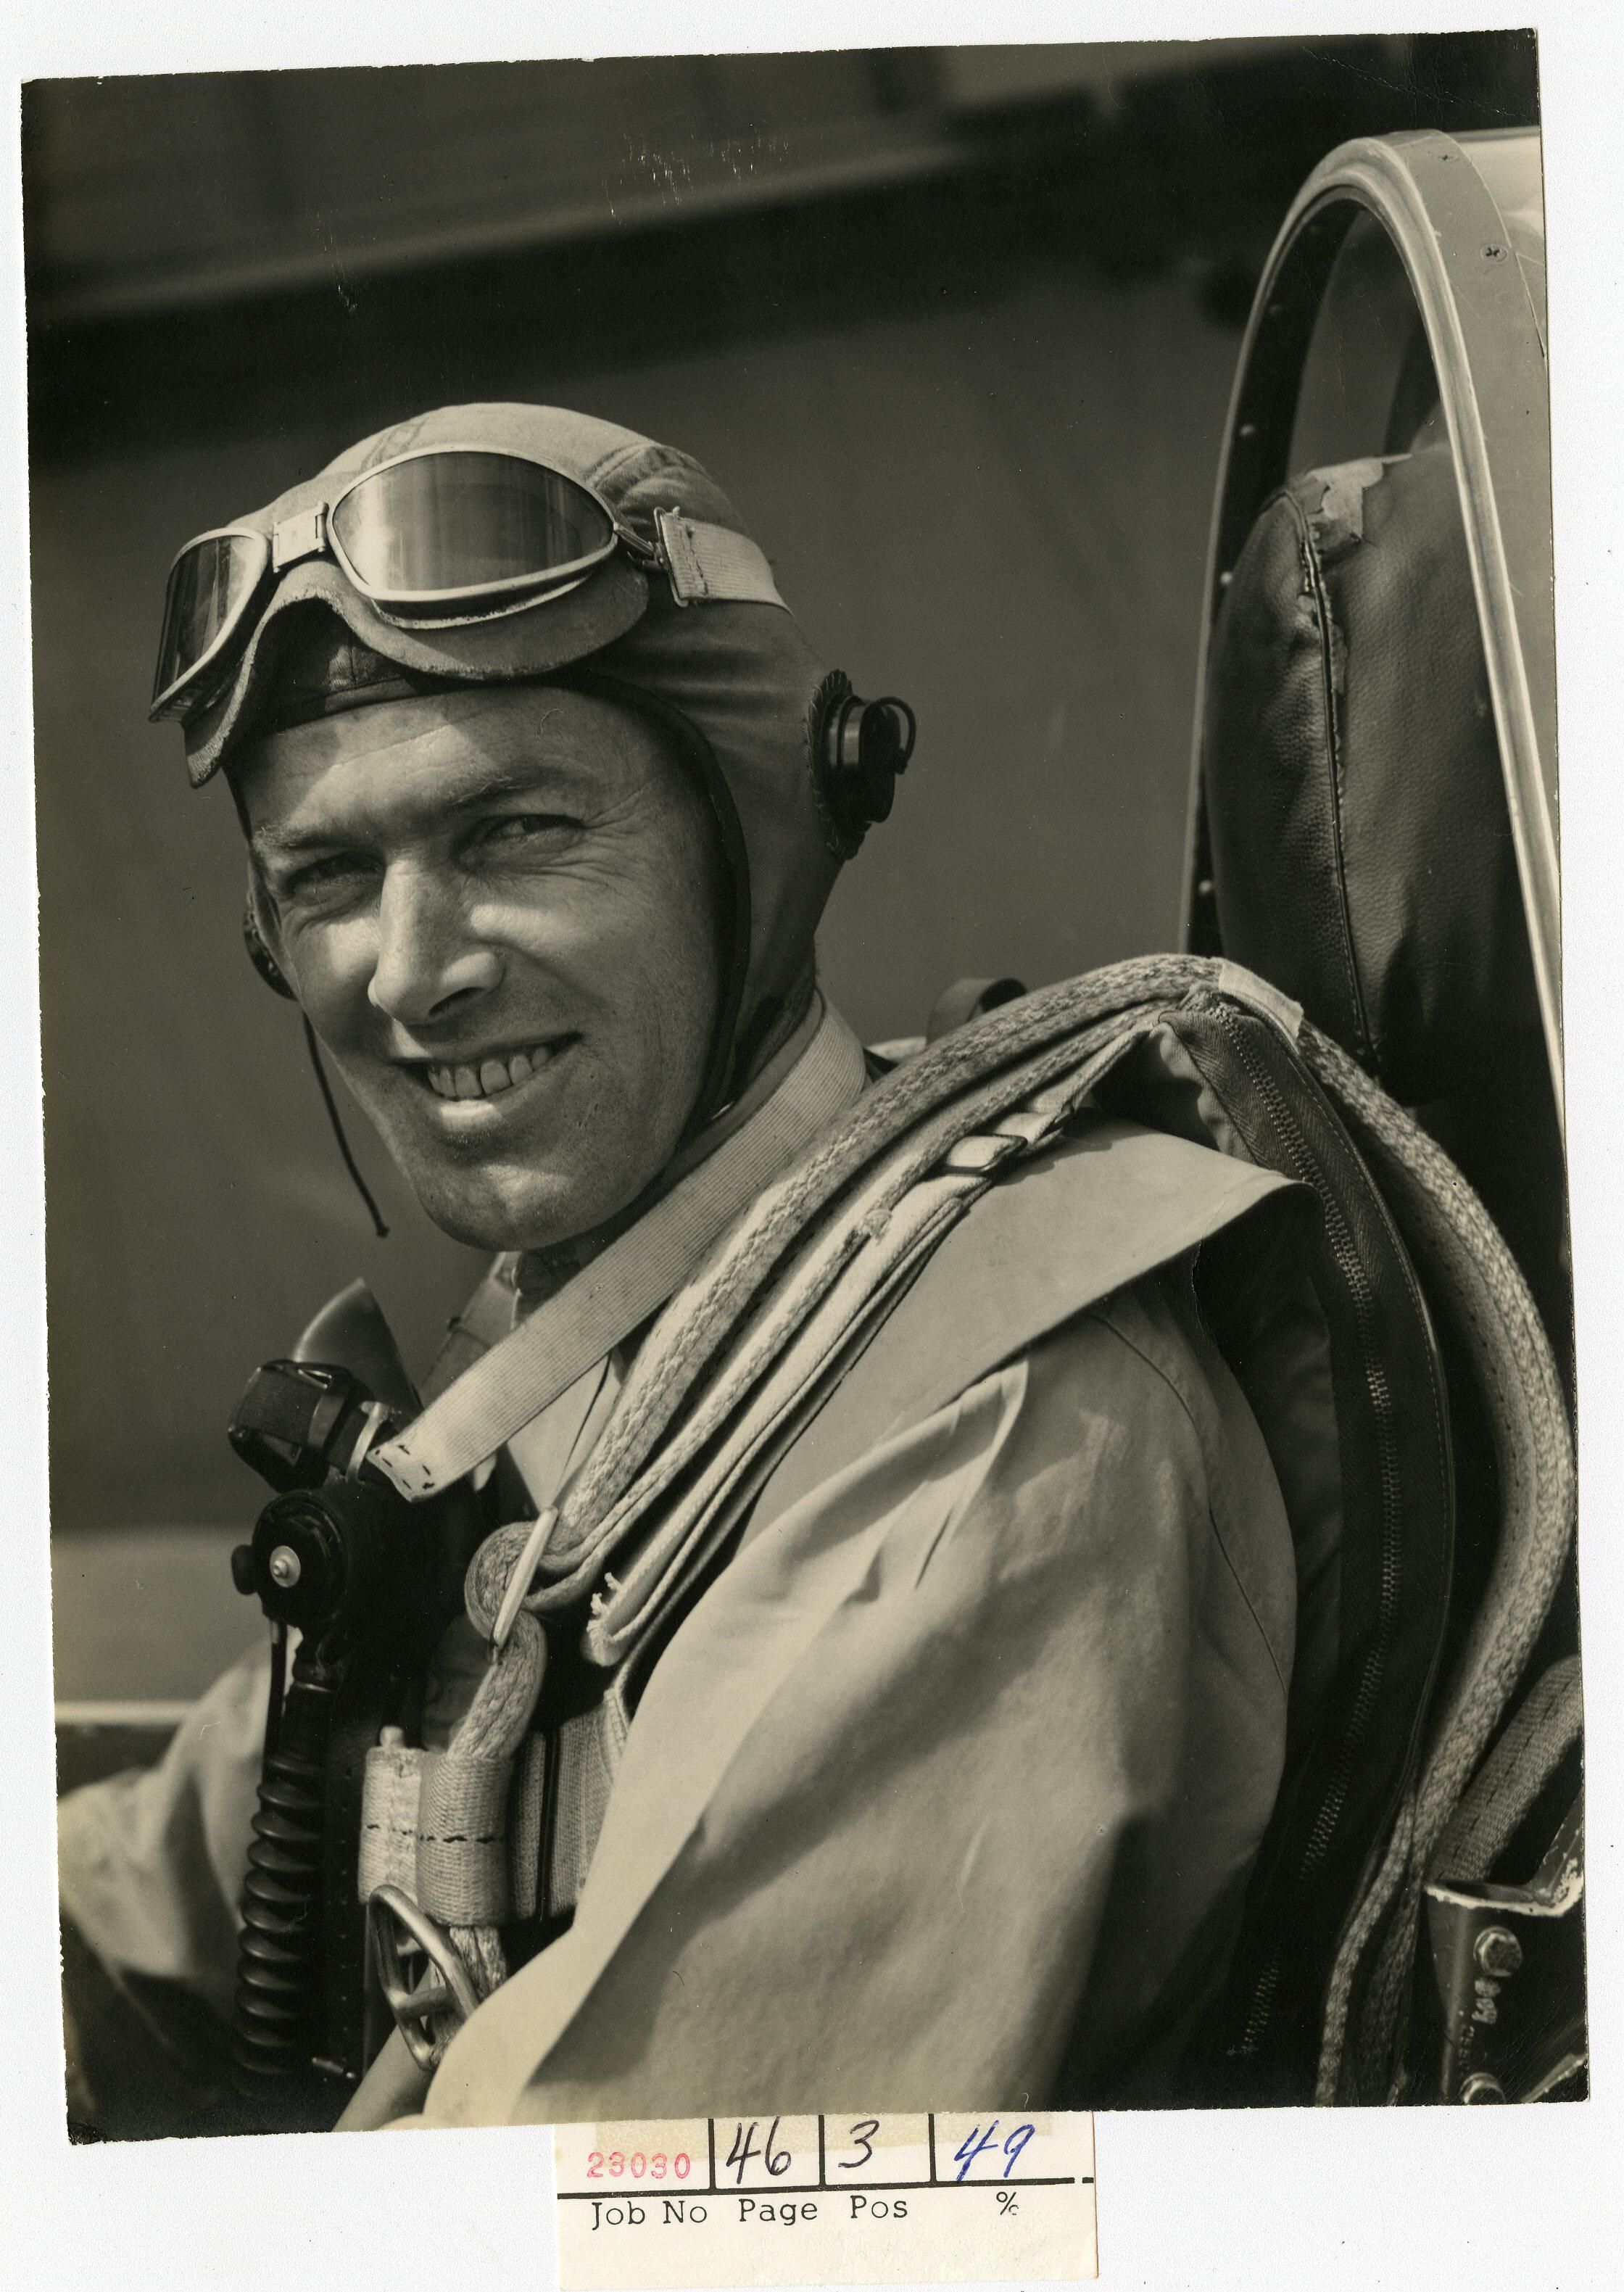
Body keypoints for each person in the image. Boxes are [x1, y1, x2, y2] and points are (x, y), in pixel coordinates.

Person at [58, 402, 1304, 2135]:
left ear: (759, 832)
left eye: (513, 836)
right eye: (329, 876)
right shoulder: (582, 1349)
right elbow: (145, 1891)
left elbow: (580, 2219)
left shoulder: (985, 1410)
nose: (411, 977)